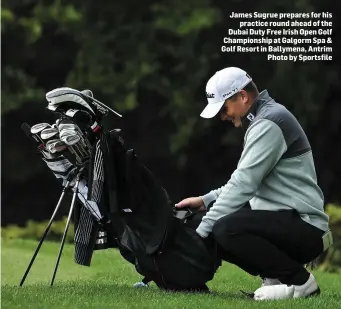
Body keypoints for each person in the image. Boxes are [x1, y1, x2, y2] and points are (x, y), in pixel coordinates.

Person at [175, 67, 332, 300]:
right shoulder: (263, 118)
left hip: (306, 226)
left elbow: (243, 185)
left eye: (224, 108)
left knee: (225, 228)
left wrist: (201, 233)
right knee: (212, 223)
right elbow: (244, 181)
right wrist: (205, 201)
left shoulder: (269, 122)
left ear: (243, 96)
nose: (223, 116)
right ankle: (275, 276)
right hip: (287, 221)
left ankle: (301, 282)